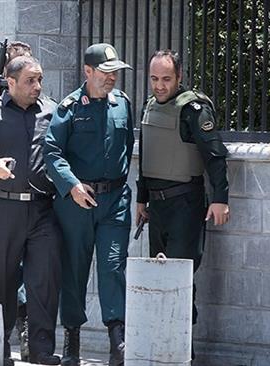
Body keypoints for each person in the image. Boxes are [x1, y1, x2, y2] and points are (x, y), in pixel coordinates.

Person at [0, 55, 62, 366]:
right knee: (1, 280)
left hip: (43, 209)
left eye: (40, 80)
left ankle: (41, 348)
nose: (38, 86)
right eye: (31, 81)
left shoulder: (51, 110)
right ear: (11, 82)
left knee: (44, 278)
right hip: (1, 207)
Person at [43, 43, 134, 366]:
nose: (112, 79)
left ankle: (117, 341)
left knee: (113, 266)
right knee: (74, 269)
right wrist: (71, 186)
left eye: (115, 74)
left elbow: (128, 147)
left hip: (115, 201)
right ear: (88, 71)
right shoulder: (68, 108)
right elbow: (52, 152)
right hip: (77, 202)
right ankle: (72, 340)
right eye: (106, 73)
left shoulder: (122, 104)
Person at [135, 49, 229, 358]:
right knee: (157, 278)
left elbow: (215, 156)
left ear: (179, 77)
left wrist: (220, 199)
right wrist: (141, 199)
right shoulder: (149, 107)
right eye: (154, 79)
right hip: (157, 209)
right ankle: (161, 352)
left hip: (186, 205)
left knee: (179, 280)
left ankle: (182, 354)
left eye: (166, 79)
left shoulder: (193, 110)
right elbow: (146, 157)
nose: (159, 86)